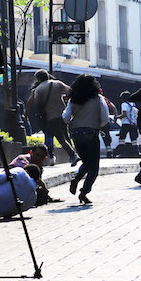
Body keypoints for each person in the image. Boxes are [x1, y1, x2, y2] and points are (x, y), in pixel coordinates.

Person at [62, 74, 109, 204]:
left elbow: (65, 117)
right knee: (94, 167)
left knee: (86, 162)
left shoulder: (73, 100)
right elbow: (105, 118)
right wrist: (97, 125)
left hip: (76, 133)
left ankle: (76, 179)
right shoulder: (98, 98)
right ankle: (84, 192)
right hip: (91, 132)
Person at [27, 70, 79, 166]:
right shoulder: (58, 83)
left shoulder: (39, 89)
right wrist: (66, 98)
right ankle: (74, 154)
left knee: (60, 138)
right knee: (66, 135)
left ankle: (73, 155)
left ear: (38, 79)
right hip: (63, 114)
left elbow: (37, 104)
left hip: (51, 117)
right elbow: (70, 91)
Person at [116, 91, 140, 156]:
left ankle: (121, 152)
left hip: (126, 123)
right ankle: (136, 152)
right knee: (134, 139)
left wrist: (117, 117)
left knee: (122, 138)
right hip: (133, 123)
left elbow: (124, 114)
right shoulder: (133, 104)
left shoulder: (124, 104)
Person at [99, 88, 118, 158]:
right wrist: (116, 116)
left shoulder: (92, 98)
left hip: (95, 121)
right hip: (106, 120)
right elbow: (113, 107)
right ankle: (108, 150)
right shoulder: (105, 99)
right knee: (106, 135)